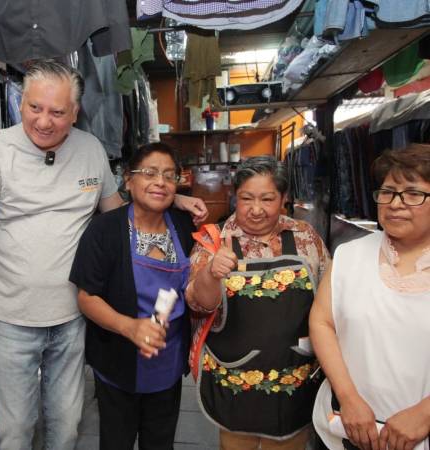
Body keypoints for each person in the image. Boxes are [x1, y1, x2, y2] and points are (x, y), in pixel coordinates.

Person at [0, 60, 207, 450]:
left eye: (57, 112)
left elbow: (118, 211)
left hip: (73, 317)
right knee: (16, 429)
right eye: (35, 108)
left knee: (67, 426)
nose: (44, 121)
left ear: (74, 113)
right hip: (12, 318)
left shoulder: (89, 149)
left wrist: (169, 198)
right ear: (21, 103)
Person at [187, 156, 331, 450]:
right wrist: (211, 274)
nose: (256, 210)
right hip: (235, 379)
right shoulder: (213, 241)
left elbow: (330, 303)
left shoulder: (306, 238)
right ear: (234, 198)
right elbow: (197, 304)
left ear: (284, 199)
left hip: (295, 375)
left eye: (267, 199)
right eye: (246, 198)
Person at [69, 143, 195, 450]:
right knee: (117, 441)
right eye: (149, 173)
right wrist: (131, 327)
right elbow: (87, 298)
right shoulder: (105, 229)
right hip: (118, 361)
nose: (160, 182)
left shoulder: (182, 224)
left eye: (169, 175)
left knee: (160, 442)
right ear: (128, 180)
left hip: (168, 359)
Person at [310, 144, 430, 450]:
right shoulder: (350, 254)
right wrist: (349, 399)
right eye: (387, 192)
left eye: (413, 194)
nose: (395, 204)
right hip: (348, 427)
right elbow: (322, 322)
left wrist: (424, 414)